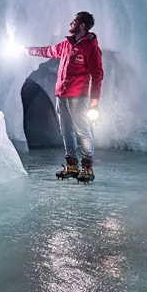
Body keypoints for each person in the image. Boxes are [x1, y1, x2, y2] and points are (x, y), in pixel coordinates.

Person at [25, 11, 104, 182]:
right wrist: (29, 51)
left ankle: (87, 168)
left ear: (82, 25)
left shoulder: (91, 48)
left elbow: (97, 75)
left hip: (78, 96)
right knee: (66, 130)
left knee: (83, 130)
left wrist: (94, 101)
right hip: (61, 94)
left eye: (74, 21)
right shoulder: (66, 45)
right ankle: (72, 166)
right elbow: (49, 51)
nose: (71, 23)